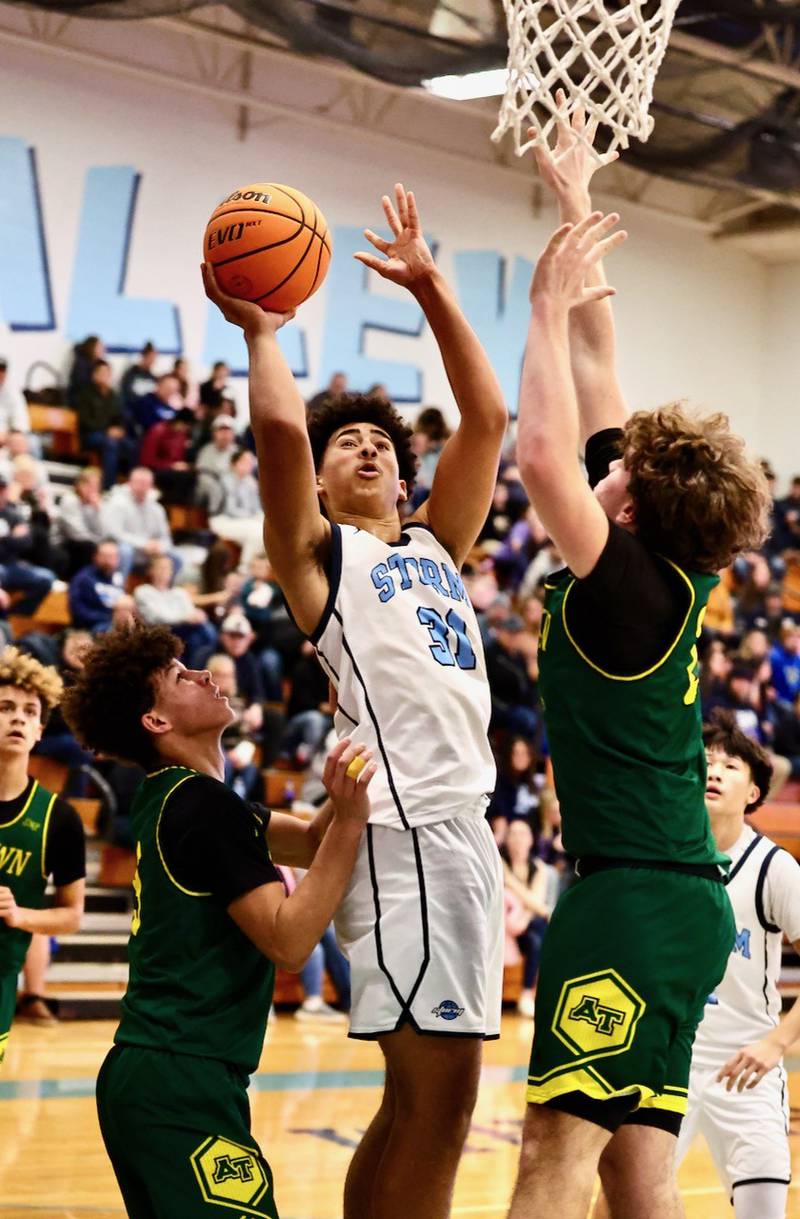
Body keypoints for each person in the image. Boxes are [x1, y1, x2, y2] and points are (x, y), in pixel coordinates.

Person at [203, 180, 507, 1219]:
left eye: (381, 439)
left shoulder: (434, 544)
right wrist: (264, 334)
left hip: (454, 836)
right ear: (326, 487)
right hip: (409, 836)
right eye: (348, 444)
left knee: (410, 1111)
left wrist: (429, 288)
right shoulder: (318, 560)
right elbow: (281, 440)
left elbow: (488, 416)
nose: (366, 444)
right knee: (441, 1108)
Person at [505, 100, 770, 1219]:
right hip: (676, 903)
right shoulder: (665, 572)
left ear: (638, 503)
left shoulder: (620, 582)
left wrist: (536, 302)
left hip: (630, 898)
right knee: (632, 1164)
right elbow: (604, 376)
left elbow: (536, 452)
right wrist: (574, 204)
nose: (606, 464)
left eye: (622, 470)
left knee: (551, 1151)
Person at [61, 621, 376, 1217]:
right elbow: (288, 941)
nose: (204, 673)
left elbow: (311, 842)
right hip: (181, 1078)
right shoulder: (201, 805)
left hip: (159, 1075)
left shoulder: (179, 796)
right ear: (156, 722)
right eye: (180, 677)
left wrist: (365, 736)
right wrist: (354, 821)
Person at [670, 711, 799, 1219]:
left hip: (745, 1066)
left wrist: (776, 1042)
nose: (715, 771)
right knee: (621, 1202)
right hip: (669, 1063)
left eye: (730, 765)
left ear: (753, 793)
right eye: (705, 763)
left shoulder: (774, 866)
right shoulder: (665, 856)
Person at [0, 647, 85, 1061]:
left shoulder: (59, 818)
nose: (18, 717)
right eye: (5, 707)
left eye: (30, 712)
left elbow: (71, 915)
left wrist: (20, 917)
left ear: (38, 731)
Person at [500, 818, 552, 1018]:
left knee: (535, 937)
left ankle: (527, 995)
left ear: (531, 839)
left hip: (526, 924)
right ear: (507, 838)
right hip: (503, 926)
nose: (518, 838)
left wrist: (511, 882)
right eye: (513, 833)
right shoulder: (498, 863)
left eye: (523, 834)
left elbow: (536, 905)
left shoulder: (538, 868)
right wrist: (538, 908)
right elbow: (536, 904)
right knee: (538, 930)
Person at [74, 359, 134, 489]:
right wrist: (107, 430)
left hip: (110, 434)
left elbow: (120, 418)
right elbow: (85, 421)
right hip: (90, 435)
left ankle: (131, 486)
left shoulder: (114, 396)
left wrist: (120, 430)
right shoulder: (85, 395)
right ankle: (109, 487)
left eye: (107, 373)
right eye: (100, 372)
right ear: (93, 375)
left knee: (131, 445)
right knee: (111, 444)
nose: (104, 376)